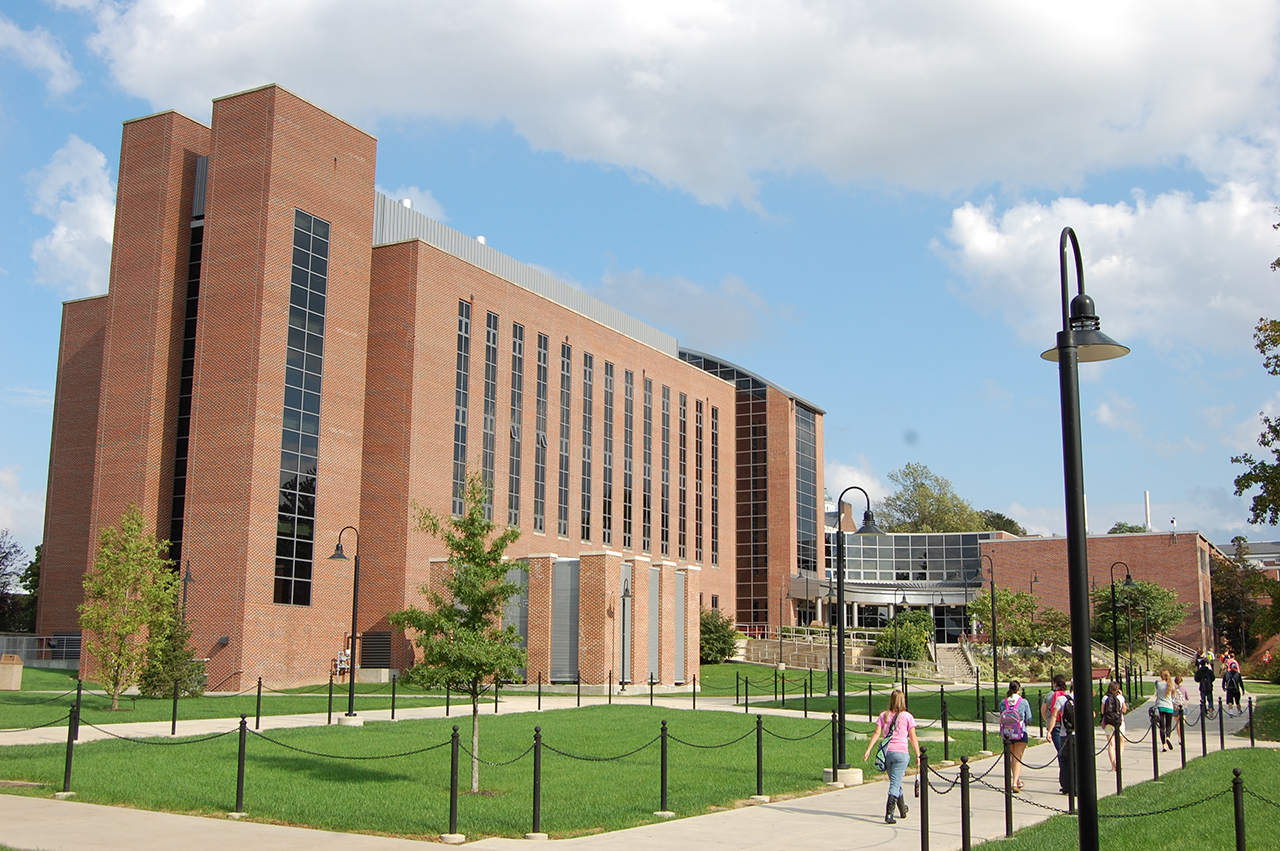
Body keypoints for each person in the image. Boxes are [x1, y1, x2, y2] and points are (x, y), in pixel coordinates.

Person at [863, 688, 921, 824]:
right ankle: (889, 813)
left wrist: (869, 750)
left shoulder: (884, 715)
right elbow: (913, 737)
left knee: (896, 781)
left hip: (887, 753)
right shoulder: (908, 717)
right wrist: (918, 754)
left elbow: (877, 733)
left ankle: (903, 809)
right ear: (903, 701)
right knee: (895, 783)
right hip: (901, 754)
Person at [999, 680, 1034, 791]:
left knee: (1012, 757)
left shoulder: (1003, 702)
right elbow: (1029, 718)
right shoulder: (1023, 702)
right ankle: (1015, 783)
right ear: (1019, 689)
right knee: (1018, 758)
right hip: (1020, 732)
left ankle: (1016, 780)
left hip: (1007, 734)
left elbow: (1001, 715)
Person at [1046, 674, 1074, 795]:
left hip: (1063, 732)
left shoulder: (1061, 699)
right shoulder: (1083, 698)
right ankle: (1076, 785)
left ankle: (1065, 785)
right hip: (1077, 733)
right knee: (1076, 759)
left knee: (1064, 758)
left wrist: (1049, 731)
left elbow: (1054, 715)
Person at [1100, 680, 1127, 771]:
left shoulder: (1105, 698)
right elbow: (1124, 709)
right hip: (1119, 721)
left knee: (1111, 744)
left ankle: (1113, 765)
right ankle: (1117, 760)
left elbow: (1103, 711)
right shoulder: (1120, 697)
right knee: (1121, 742)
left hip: (1108, 722)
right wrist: (1122, 696)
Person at [1153, 670, 1176, 751]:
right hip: (1169, 706)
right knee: (1168, 724)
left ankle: (1164, 745)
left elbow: (1156, 692)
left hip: (1160, 706)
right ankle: (1168, 737)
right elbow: (1173, 693)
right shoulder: (1170, 684)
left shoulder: (1158, 683)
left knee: (1162, 726)